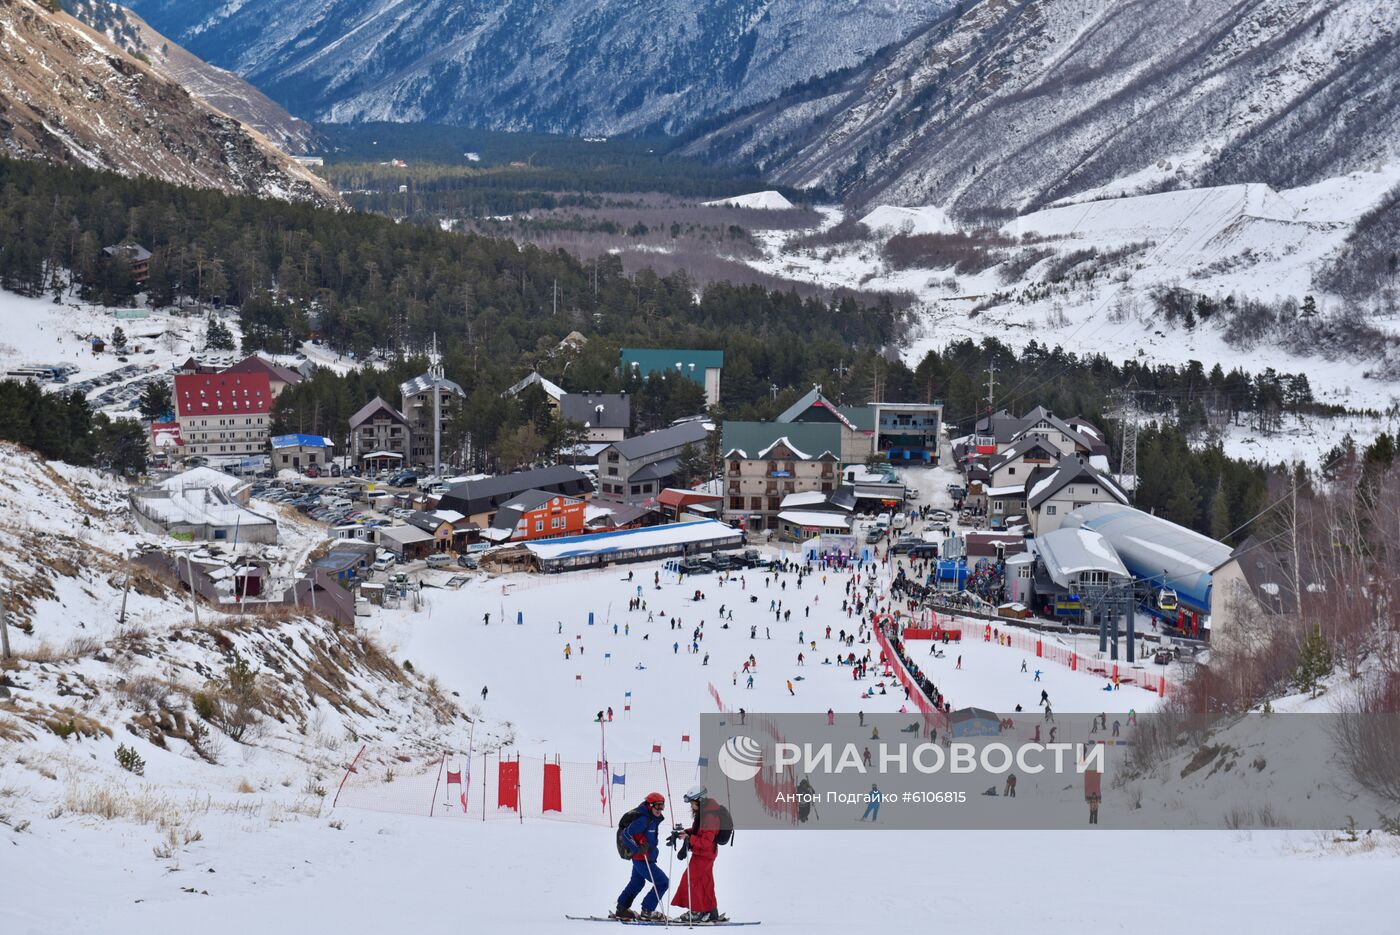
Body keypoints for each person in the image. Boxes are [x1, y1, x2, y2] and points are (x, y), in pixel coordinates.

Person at [670, 785, 727, 923]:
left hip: (704, 854)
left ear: (699, 800)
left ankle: (696, 912)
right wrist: (685, 833)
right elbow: (699, 830)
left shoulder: (710, 816)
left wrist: (689, 839)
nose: (691, 806)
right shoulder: (705, 813)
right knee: (705, 883)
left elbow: (707, 841)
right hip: (703, 854)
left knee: (690, 880)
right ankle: (711, 912)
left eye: (692, 803)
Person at [616, 792, 670, 921]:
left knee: (637, 882)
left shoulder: (652, 818)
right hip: (641, 859)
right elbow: (626, 834)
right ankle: (647, 910)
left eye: (662, 806)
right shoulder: (643, 819)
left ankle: (622, 908)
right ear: (650, 805)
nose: (660, 809)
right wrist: (637, 849)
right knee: (662, 882)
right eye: (657, 806)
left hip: (644, 858)